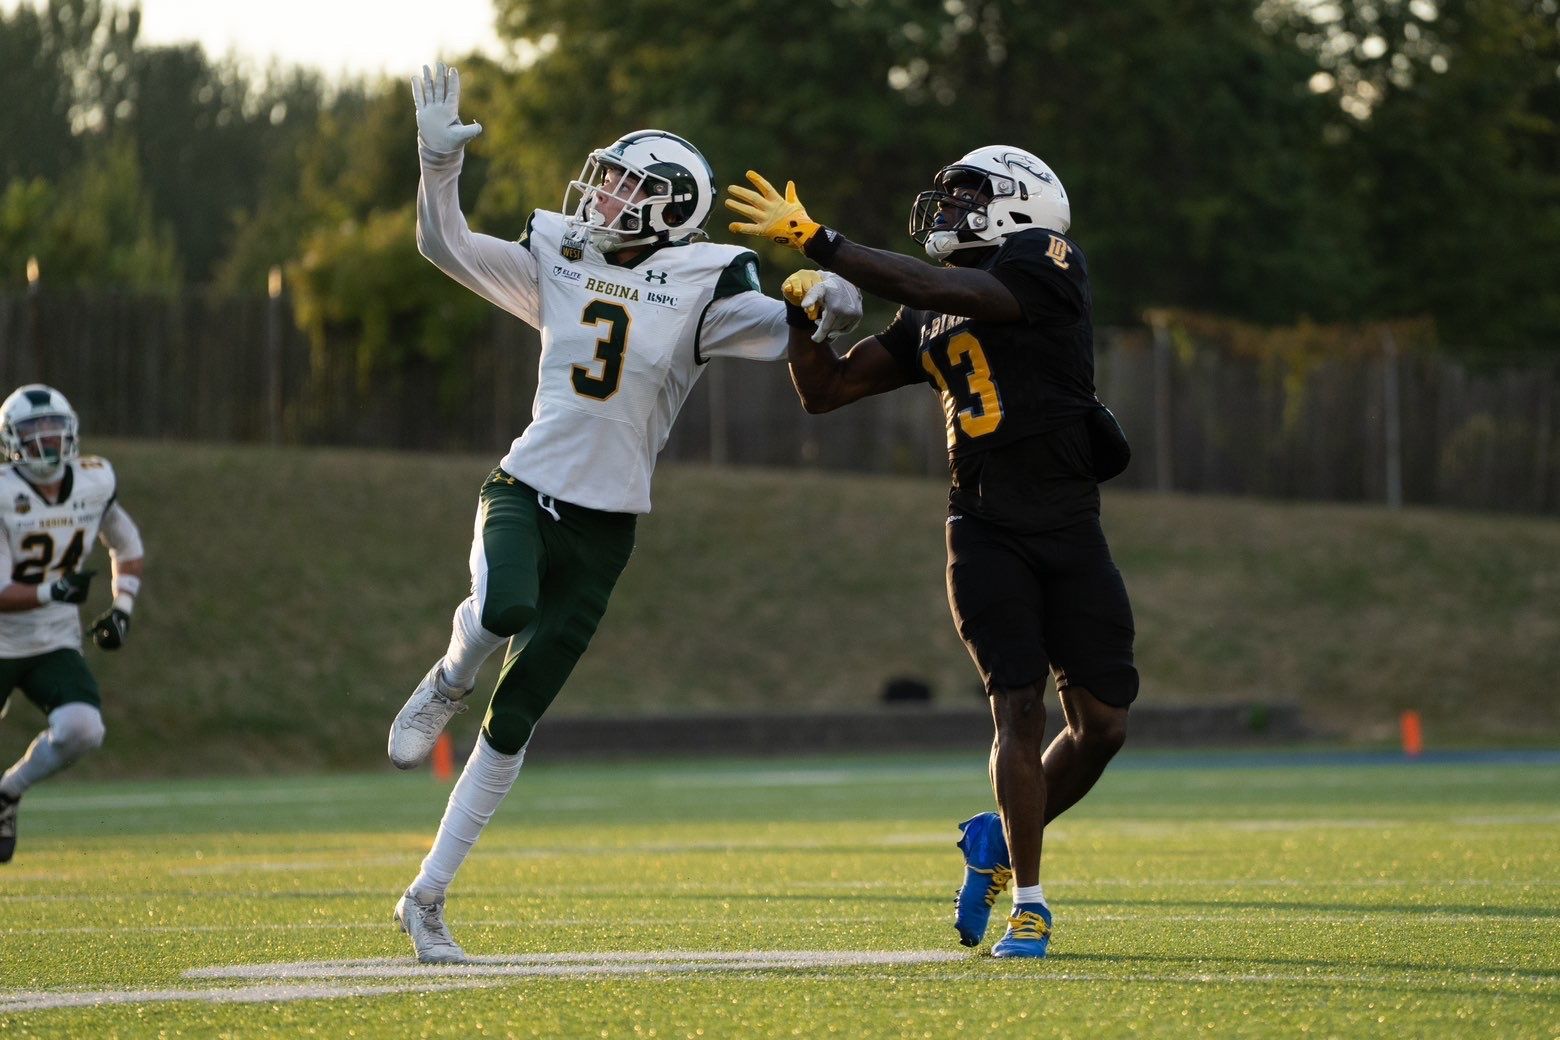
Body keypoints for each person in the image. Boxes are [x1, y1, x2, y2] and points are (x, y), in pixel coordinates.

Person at [388, 63, 862, 964]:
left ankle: (427, 897)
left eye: (624, 184)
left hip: (610, 524)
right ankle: (448, 676)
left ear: (670, 206)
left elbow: (800, 320)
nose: (601, 193)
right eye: (604, 178)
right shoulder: (561, 255)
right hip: (524, 488)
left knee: (520, 713)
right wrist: (435, 166)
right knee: (501, 609)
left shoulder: (704, 282)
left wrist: (826, 293)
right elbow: (443, 247)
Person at [726, 148, 1137, 958]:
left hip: (1068, 524)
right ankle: (1030, 902)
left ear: (1021, 205)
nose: (948, 209)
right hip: (981, 527)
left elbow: (944, 287)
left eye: (967, 195)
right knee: (1016, 708)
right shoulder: (927, 313)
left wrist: (821, 241)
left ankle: (999, 831)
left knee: (1104, 725)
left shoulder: (1044, 262)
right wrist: (806, 324)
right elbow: (827, 392)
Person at [0, 384, 144, 864]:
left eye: (53, 429)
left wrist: (122, 606)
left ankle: (8, 793)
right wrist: (51, 591)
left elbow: (127, 544)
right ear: (11, 440)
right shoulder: (4, 493)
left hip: (51, 641)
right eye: (33, 431)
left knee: (84, 728)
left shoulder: (93, 481)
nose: (46, 441)